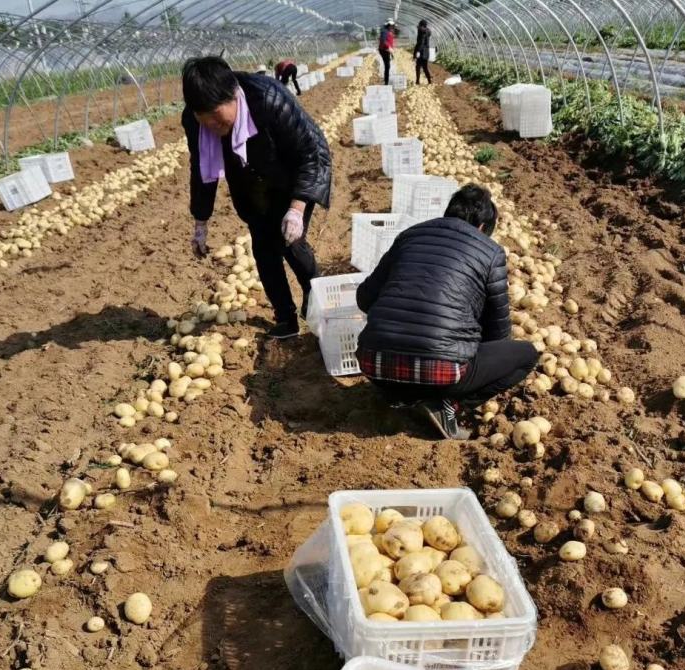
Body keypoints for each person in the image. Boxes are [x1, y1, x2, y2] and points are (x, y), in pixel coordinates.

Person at [355, 185, 539, 439]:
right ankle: (448, 405)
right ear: (483, 228)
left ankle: (400, 397)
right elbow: (498, 333)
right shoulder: (490, 250)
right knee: (527, 354)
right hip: (440, 372)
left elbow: (364, 299)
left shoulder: (410, 235)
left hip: (373, 363)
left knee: (404, 359)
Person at [181, 56, 331, 341]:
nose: (212, 125)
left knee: (292, 243)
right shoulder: (194, 120)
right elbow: (201, 168)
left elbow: (313, 154)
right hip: (248, 184)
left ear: (233, 95)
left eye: (216, 115)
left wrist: (297, 209)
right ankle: (285, 318)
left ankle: (316, 302)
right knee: (263, 248)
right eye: (204, 118)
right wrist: (200, 220)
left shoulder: (269, 98)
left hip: (289, 178)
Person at [413, 20, 432, 85]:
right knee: (424, 67)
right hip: (426, 52)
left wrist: (417, 52)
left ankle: (418, 81)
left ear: (422, 26)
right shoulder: (426, 31)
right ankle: (429, 81)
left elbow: (421, 42)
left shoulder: (422, 32)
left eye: (420, 26)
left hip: (422, 52)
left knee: (418, 66)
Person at [378, 19, 395, 86]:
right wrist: (389, 47)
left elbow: (389, 40)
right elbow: (383, 40)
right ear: (388, 25)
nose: (392, 26)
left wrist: (391, 51)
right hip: (384, 50)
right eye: (391, 25)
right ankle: (386, 82)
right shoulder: (384, 31)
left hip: (387, 50)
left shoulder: (388, 31)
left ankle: (386, 81)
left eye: (392, 25)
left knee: (387, 66)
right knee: (387, 66)